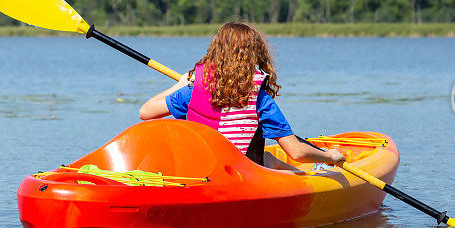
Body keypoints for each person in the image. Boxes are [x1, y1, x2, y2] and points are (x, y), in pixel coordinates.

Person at [139, 22, 345, 170]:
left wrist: (179, 85)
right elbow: (297, 152)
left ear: (215, 52)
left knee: (267, 157)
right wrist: (330, 156)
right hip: (240, 178)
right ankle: (306, 177)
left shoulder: (192, 91)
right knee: (264, 159)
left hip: (200, 172)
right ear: (253, 56)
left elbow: (145, 111)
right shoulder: (260, 99)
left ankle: (301, 175)